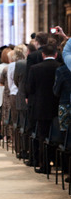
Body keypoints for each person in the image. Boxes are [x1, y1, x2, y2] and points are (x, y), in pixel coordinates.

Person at [28, 43, 61, 173]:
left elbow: (30, 88)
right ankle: (59, 163)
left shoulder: (35, 68)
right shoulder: (61, 67)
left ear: (43, 55)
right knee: (59, 135)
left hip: (41, 106)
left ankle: (45, 165)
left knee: (43, 136)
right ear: (56, 54)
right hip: (57, 105)